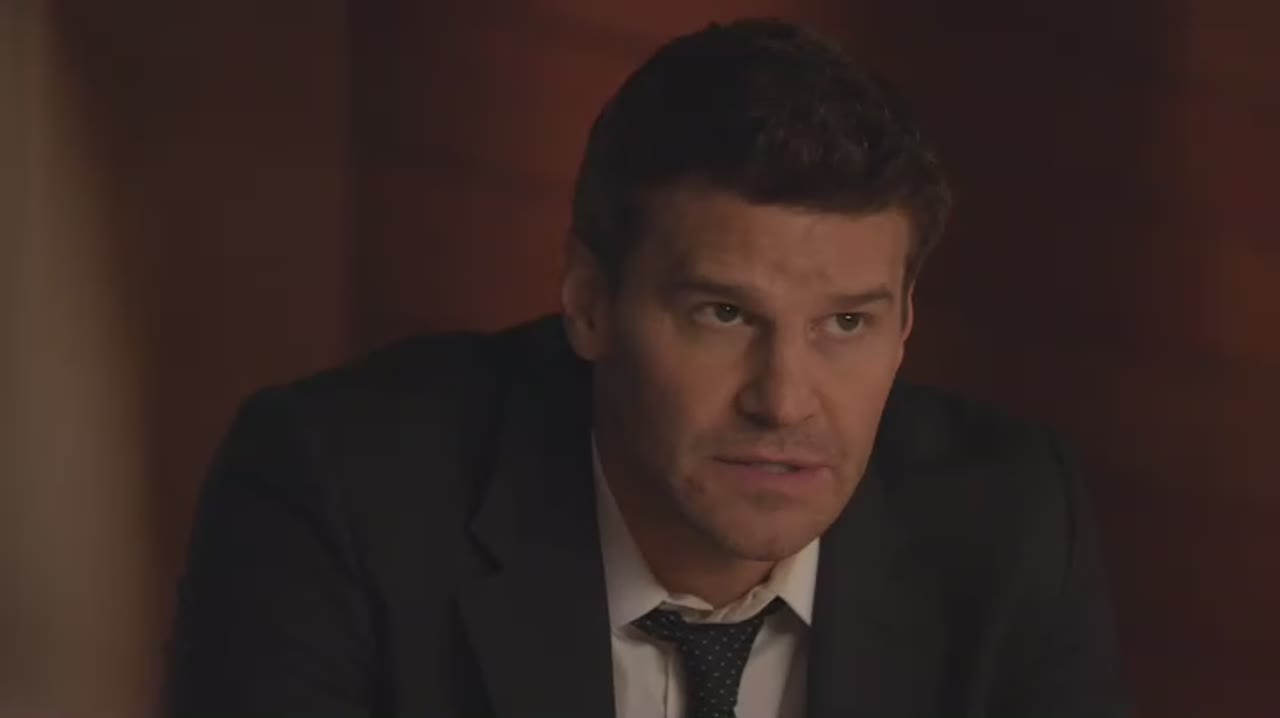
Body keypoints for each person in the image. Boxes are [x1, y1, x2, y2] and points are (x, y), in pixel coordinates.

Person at [163, 18, 1129, 718]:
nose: (784, 399)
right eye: (722, 314)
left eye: (845, 323)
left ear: (905, 325)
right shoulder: (341, 493)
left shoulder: (1010, 528)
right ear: (589, 301)